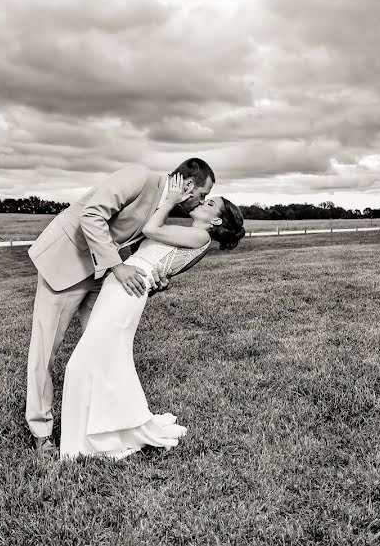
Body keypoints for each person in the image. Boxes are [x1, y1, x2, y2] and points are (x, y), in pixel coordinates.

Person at [25, 159, 216, 455]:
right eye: (202, 195)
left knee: (101, 349)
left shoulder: (162, 207)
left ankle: (96, 427)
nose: (200, 201)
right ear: (188, 185)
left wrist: (150, 278)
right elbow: (91, 216)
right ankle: (42, 434)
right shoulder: (139, 177)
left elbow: (126, 239)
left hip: (103, 272)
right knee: (46, 350)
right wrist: (117, 267)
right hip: (66, 262)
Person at [59, 173, 245, 460]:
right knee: (105, 360)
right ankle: (106, 430)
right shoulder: (193, 234)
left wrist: (169, 200)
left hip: (128, 289)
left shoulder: (201, 235)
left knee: (84, 362)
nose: (202, 202)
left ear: (217, 220)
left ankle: (87, 440)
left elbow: (150, 228)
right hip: (123, 282)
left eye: (209, 203)